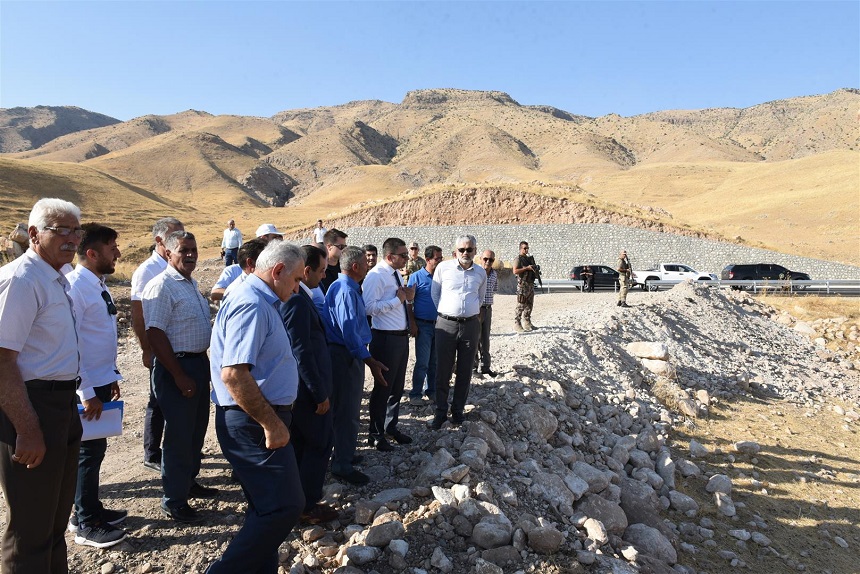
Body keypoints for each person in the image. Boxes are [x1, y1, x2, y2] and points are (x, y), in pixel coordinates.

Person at [207, 241, 306, 573]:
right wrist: (272, 424)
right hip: (254, 421)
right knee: (285, 506)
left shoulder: (262, 300)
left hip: (258, 417)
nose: (297, 288)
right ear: (277, 271)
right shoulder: (251, 304)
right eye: (295, 280)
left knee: (265, 507)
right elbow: (233, 374)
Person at [0, 198, 84, 573]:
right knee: (30, 531)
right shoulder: (21, 279)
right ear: (34, 234)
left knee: (53, 524)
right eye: (60, 230)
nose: (71, 238)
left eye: (76, 231)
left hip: (61, 405)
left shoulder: (55, 278)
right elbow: (2, 360)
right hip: (32, 408)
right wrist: (28, 427)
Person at [142, 231, 217, 524]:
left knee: (196, 430)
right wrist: (178, 374)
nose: (190, 255)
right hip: (178, 368)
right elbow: (155, 333)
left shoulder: (189, 283)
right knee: (178, 436)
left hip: (197, 363)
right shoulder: (161, 286)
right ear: (169, 253)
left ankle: (188, 482)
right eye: (184, 250)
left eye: (194, 250)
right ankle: (173, 500)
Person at [66, 224, 127, 548]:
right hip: (86, 389)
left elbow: (99, 337)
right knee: (87, 455)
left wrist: (111, 375)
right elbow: (72, 346)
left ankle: (88, 508)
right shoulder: (76, 287)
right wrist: (87, 392)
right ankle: (86, 523)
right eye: (111, 247)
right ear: (91, 253)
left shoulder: (96, 284)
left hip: (101, 381)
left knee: (95, 451)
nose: (117, 252)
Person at [281, 245, 338, 524]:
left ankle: (299, 501)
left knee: (304, 445)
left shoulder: (301, 297)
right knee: (318, 443)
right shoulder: (295, 301)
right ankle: (307, 505)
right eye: (322, 271)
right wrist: (318, 393)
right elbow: (300, 350)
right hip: (307, 393)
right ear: (306, 271)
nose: (324, 276)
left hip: (307, 390)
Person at [322, 246, 388, 485]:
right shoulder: (345, 291)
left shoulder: (344, 287)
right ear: (356, 267)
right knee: (347, 410)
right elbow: (349, 332)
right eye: (365, 262)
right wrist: (369, 360)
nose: (369, 265)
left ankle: (344, 454)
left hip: (347, 354)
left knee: (346, 409)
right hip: (345, 356)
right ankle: (341, 465)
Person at [131, 216, 183, 472]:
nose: (180, 241)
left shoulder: (177, 265)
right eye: (174, 237)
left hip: (179, 347)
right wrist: (146, 349)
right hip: (159, 347)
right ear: (159, 240)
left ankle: (177, 448)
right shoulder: (147, 271)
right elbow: (138, 314)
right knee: (157, 398)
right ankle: (152, 452)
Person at [362, 238, 416, 451]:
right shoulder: (376, 276)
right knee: (383, 387)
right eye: (403, 255)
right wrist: (398, 301)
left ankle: (390, 427)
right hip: (385, 338)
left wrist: (407, 299)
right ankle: (375, 434)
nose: (406, 258)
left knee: (397, 387)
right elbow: (368, 308)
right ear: (390, 256)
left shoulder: (394, 274)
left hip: (399, 337)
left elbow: (400, 300)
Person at [429, 235, 486, 430]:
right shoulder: (443, 268)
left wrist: (467, 313)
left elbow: (480, 298)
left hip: (470, 326)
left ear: (475, 251)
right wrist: (448, 312)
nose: (465, 253)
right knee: (443, 370)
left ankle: (458, 411)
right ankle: (440, 412)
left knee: (465, 370)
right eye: (462, 250)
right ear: (455, 251)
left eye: (469, 250)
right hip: (446, 325)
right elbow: (435, 294)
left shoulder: (480, 273)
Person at [407, 245, 443, 405]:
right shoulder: (416, 277)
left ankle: (431, 391)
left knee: (435, 361)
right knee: (422, 361)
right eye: (437, 258)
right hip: (423, 326)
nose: (440, 261)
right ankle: (415, 394)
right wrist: (412, 323)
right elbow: (409, 302)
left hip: (440, 325)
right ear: (428, 260)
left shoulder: (442, 277)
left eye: (441, 258)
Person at [474, 249, 499, 378]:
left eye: (491, 260)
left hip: (488, 309)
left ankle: (485, 367)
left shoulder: (494, 274)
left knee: (485, 339)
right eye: (486, 259)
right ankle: (473, 367)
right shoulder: (475, 272)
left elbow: (494, 289)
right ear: (480, 259)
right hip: (476, 310)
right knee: (474, 338)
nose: (488, 262)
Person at [513, 241, 538, 332]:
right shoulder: (518, 259)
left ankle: (527, 322)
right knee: (520, 305)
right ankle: (517, 323)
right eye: (524, 248)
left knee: (529, 305)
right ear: (520, 248)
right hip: (523, 286)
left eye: (527, 248)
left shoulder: (529, 259)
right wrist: (526, 268)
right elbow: (515, 271)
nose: (526, 250)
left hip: (530, 285)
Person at [320, 229, 348, 293]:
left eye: (345, 247)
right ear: (329, 247)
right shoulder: (321, 270)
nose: (344, 250)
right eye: (341, 246)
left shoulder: (344, 267)